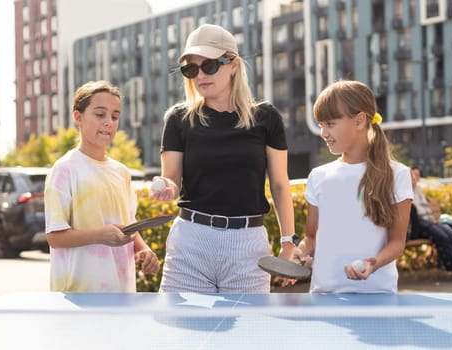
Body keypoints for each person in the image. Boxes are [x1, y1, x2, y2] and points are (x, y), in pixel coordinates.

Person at [150, 23, 296, 293]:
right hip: (191, 243)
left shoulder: (266, 117)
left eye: (210, 65)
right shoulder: (178, 119)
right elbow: (171, 178)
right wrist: (167, 187)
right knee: (180, 333)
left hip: (248, 246)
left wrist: (288, 242)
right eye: (191, 69)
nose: (200, 75)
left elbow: (279, 184)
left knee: (246, 334)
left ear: (234, 65)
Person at [294, 80, 413, 294]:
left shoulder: (398, 174)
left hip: (377, 295)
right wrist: (300, 253)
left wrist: (373, 263)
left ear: (359, 121)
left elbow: (396, 243)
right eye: (321, 125)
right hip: (324, 295)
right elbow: (311, 237)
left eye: (330, 124)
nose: (323, 133)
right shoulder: (318, 176)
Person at [44, 80, 160, 292]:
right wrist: (100, 235)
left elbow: (129, 226)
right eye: (100, 114)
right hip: (79, 296)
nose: (109, 122)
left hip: (121, 294)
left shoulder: (122, 172)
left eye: (114, 116)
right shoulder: (64, 169)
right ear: (77, 117)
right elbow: (54, 237)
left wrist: (143, 250)